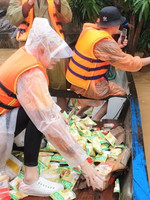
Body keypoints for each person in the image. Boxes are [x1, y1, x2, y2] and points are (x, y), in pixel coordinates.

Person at [0, 18, 103, 197]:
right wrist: (84, 163)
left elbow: (44, 102)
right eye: (55, 54)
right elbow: (46, 120)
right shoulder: (31, 72)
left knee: (45, 113)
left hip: (5, 119)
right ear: (42, 49)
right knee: (39, 116)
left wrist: (56, 112)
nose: (57, 61)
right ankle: (30, 180)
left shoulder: (26, 53)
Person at [66, 6, 150, 120]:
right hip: (88, 86)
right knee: (121, 93)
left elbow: (98, 53)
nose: (120, 26)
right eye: (118, 23)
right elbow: (130, 64)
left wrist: (117, 47)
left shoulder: (90, 30)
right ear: (112, 25)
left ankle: (78, 114)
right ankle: (95, 120)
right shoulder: (105, 43)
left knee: (107, 87)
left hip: (75, 81)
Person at [6, 0, 72, 112]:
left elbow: (68, 17)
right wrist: (28, 4)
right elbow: (12, 18)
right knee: (31, 86)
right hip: (30, 48)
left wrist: (58, 3)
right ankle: (34, 120)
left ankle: (61, 120)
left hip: (54, 47)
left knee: (60, 87)